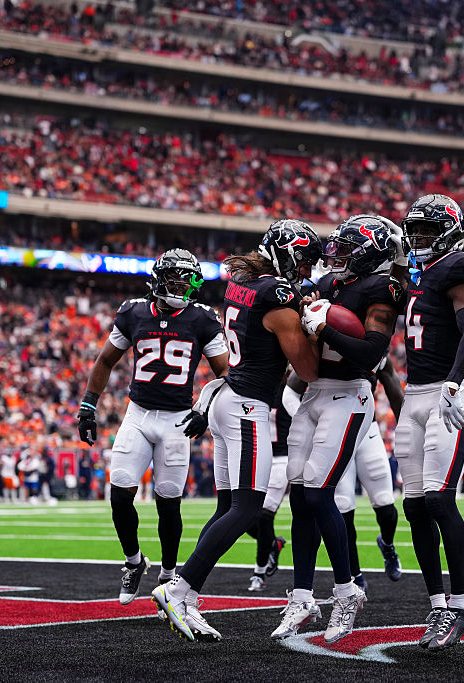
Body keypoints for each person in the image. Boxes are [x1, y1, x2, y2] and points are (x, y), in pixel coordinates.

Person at [152, 219, 322, 642]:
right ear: (284, 252)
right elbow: (308, 369)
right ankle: (179, 588)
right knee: (247, 509)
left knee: (226, 508)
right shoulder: (277, 294)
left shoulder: (242, 282)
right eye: (301, 259)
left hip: (228, 401)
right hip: (247, 407)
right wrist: (316, 325)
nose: (304, 269)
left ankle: (185, 596)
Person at [272, 214, 400, 644]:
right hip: (314, 390)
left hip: (350, 393)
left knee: (319, 490)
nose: (336, 256)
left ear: (370, 255)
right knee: (301, 496)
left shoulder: (382, 289)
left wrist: (324, 327)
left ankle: (347, 591)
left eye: (348, 249)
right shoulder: (330, 285)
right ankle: (303, 595)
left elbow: (371, 352)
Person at [77, 248, 228, 607]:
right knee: (119, 493)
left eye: (190, 281)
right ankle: (133, 561)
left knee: (168, 503)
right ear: (161, 280)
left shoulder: (204, 319)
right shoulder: (133, 312)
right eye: (179, 279)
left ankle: (168, 572)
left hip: (177, 420)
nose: (186, 287)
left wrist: (204, 407)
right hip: (139, 413)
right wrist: (88, 405)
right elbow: (105, 360)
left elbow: (226, 373)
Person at [394, 194, 464, 649]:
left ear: (450, 232)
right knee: (413, 506)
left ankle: (463, 602)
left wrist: (455, 382)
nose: (420, 240)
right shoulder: (419, 273)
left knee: (439, 500)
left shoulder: (459, 266)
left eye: (429, 231)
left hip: (446, 392)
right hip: (413, 394)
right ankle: (436, 606)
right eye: (416, 232)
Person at [333, 357, 404, 593]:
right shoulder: (322, 333)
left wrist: (405, 430)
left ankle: (387, 543)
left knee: (385, 503)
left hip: (367, 429)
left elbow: (393, 386)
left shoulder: (375, 340)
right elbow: (292, 390)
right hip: (334, 430)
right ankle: (355, 574)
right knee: (343, 508)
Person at [247, 384, 294, 592]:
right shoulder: (255, 386)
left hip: (281, 458)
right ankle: (273, 544)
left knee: (265, 516)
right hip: (257, 457)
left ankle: (258, 572)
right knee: (244, 517)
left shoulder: (292, 391)